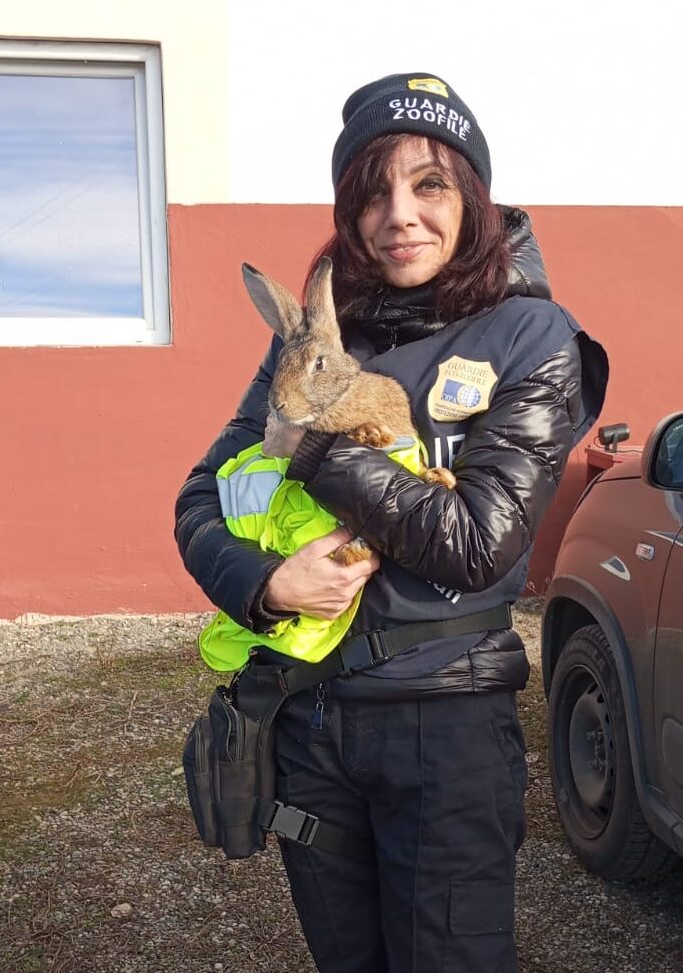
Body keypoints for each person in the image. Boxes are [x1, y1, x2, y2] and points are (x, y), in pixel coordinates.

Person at [175, 72, 608, 973]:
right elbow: (200, 495)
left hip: (443, 724)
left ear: (474, 200)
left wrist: (314, 453)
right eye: (372, 192)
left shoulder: (533, 338)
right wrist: (261, 583)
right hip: (309, 723)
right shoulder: (317, 339)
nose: (399, 215)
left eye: (430, 185)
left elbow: (479, 542)